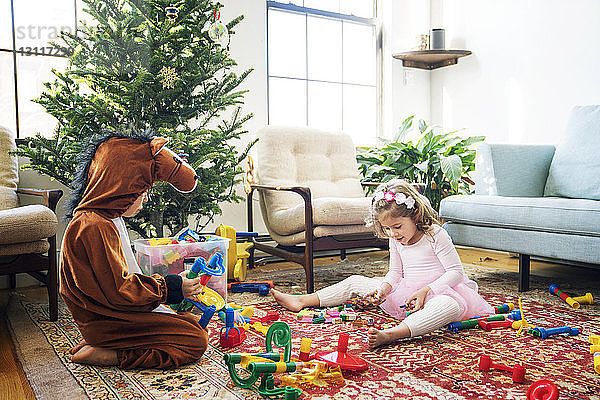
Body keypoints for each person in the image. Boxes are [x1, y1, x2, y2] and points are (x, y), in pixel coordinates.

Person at [271, 179, 493, 348]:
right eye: (387, 229)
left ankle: (395, 334)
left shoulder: (435, 234)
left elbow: (455, 272)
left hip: (440, 292)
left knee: (449, 307)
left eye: (397, 226)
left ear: (415, 215)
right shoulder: (395, 239)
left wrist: (426, 291)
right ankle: (302, 299)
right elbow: (395, 273)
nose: (393, 233)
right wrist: (384, 289)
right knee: (355, 282)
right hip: (406, 291)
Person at [60, 131, 208, 368]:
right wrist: (170, 287)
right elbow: (120, 290)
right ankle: (114, 354)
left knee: (190, 321)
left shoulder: (105, 220)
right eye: (141, 191)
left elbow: (121, 282)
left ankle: (109, 345)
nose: (144, 200)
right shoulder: (93, 226)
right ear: (122, 187)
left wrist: (167, 290)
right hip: (107, 321)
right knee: (195, 340)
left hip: (111, 316)